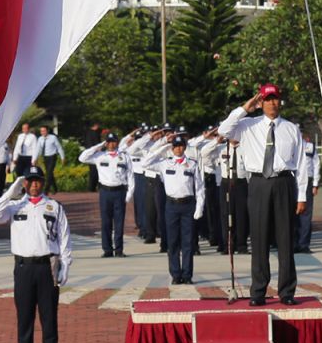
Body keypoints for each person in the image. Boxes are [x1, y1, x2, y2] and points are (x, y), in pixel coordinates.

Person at [218, 84, 309, 306]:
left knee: (285, 238)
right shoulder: (248, 125)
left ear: (280, 101)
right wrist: (244, 108)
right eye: (267, 99)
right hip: (258, 182)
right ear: (260, 102)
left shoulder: (290, 128)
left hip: (284, 182)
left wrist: (302, 196)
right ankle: (258, 291)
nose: (272, 103)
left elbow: (301, 163)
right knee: (259, 239)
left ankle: (287, 291)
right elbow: (223, 130)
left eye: (275, 99)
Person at [0, 166, 70, 343]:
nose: (34, 185)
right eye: (30, 181)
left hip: (47, 266)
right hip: (23, 267)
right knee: (25, 318)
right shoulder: (14, 206)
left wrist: (66, 265)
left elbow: (64, 238)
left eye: (38, 181)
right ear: (24, 183)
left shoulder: (53, 206)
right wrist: (9, 192)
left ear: (43, 182)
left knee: (49, 318)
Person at [145, 133, 205, 285]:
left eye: (180, 146)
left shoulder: (192, 164)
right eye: (175, 146)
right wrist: (162, 146)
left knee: (188, 242)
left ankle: (187, 275)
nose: (178, 149)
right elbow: (146, 163)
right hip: (171, 205)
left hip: (188, 205)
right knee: (172, 242)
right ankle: (175, 275)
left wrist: (200, 207)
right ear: (171, 149)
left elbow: (199, 187)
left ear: (184, 147)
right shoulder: (165, 163)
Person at [78, 131, 134, 257]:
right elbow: (82, 158)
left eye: (114, 141)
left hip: (119, 191)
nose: (111, 144)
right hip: (105, 192)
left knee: (119, 222)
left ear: (117, 142)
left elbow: (131, 175)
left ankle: (119, 250)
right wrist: (99, 145)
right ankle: (107, 250)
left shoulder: (124, 157)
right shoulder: (99, 155)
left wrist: (129, 194)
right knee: (106, 222)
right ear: (106, 143)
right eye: (109, 142)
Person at [37, 125, 63, 192]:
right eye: (41, 131)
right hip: (45, 157)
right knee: (49, 173)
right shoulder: (40, 139)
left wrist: (62, 157)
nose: (42, 132)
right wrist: (35, 158)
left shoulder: (53, 138)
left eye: (44, 131)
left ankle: (46, 190)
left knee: (49, 173)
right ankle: (55, 188)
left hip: (52, 156)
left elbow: (59, 147)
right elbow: (38, 149)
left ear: (47, 131)